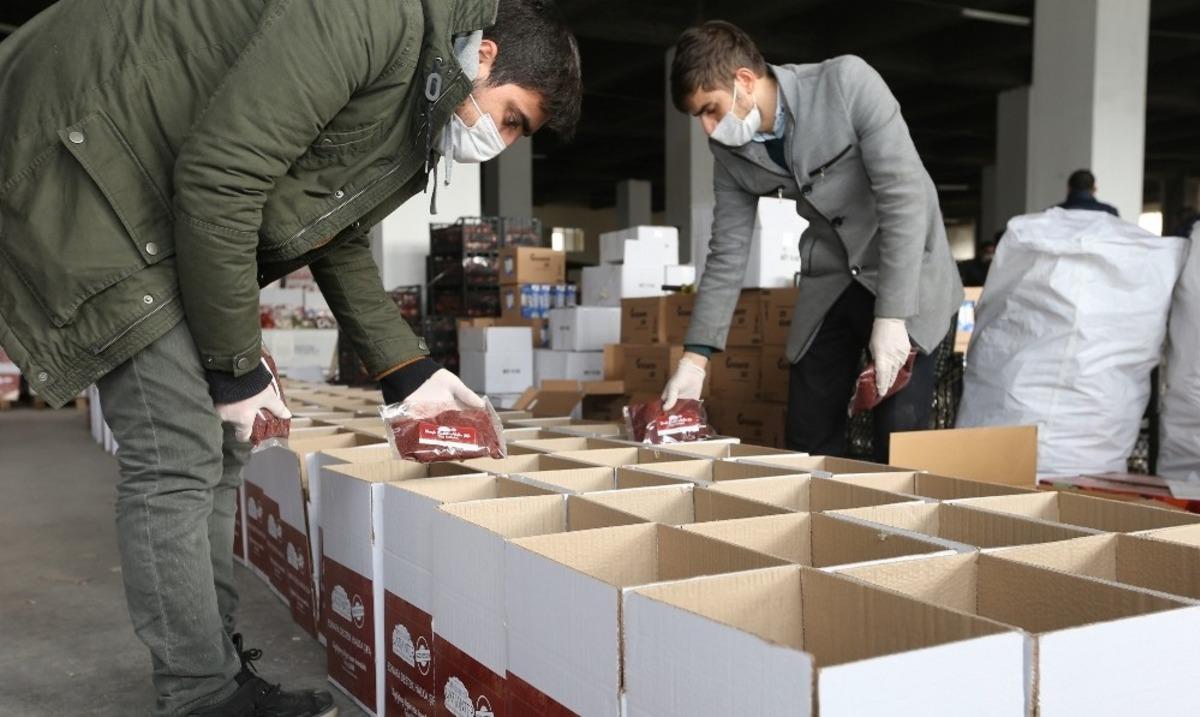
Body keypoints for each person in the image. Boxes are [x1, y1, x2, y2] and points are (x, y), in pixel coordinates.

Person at [0, 1, 580, 715]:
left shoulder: (414, 87)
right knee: (177, 446)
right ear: (484, 56)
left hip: (141, 183)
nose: (503, 140)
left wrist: (408, 371)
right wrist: (235, 365)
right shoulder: (377, 18)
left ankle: (212, 663)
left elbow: (324, 225)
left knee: (226, 441)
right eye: (512, 118)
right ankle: (202, 695)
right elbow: (222, 177)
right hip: (73, 158)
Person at [659, 21, 962, 462]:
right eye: (699, 117)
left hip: (905, 267)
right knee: (807, 430)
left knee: (897, 440)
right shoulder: (729, 154)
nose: (707, 128)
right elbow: (727, 251)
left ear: (744, 80)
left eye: (711, 109)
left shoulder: (846, 83)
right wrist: (695, 359)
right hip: (833, 276)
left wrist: (893, 315)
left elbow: (904, 197)